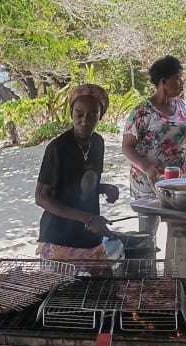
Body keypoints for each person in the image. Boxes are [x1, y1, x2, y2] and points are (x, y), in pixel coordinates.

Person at [35, 84, 120, 261]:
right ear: (71, 113)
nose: (84, 120)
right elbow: (41, 197)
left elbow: (80, 185)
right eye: (79, 114)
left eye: (92, 115)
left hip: (89, 236)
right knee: (59, 288)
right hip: (60, 238)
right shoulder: (58, 148)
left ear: (100, 116)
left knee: (103, 285)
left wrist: (104, 188)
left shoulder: (98, 143)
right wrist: (87, 219)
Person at [122, 55, 186, 236]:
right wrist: (148, 168)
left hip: (180, 183)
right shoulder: (142, 111)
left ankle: (177, 264)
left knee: (181, 231)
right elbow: (127, 147)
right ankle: (148, 264)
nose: (182, 83)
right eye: (178, 79)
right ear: (163, 81)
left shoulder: (185, 108)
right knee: (148, 234)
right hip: (149, 182)